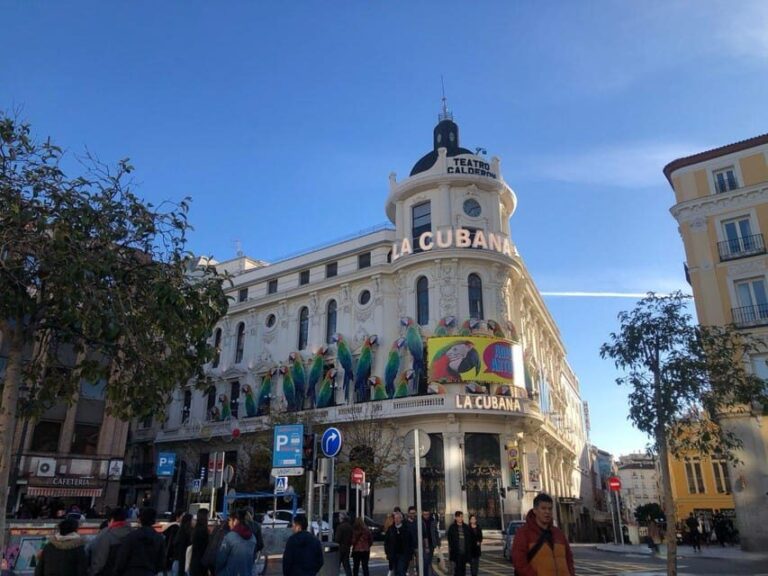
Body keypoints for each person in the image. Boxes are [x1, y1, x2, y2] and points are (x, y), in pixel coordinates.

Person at [511, 493, 575, 576]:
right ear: (535, 510)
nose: (547, 512)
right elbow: (519, 562)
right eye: (543, 508)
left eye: (550, 509)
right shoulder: (524, 533)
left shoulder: (559, 533)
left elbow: (569, 558)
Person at [114, 507, 165, 576]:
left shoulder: (131, 536)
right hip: (149, 572)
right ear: (154, 521)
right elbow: (161, 562)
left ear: (140, 520)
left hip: (131, 572)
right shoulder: (159, 538)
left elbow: (122, 558)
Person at [88, 508, 133, 576]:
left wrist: (92, 572)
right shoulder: (132, 533)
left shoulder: (106, 534)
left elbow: (99, 560)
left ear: (112, 519)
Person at [216, 509, 256, 576]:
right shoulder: (253, 537)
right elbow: (253, 559)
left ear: (235, 521)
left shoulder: (230, 537)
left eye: (230, 520)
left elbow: (221, 559)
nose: (228, 523)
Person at [384, 511, 413, 576]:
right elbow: (386, 542)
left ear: (401, 519)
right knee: (396, 571)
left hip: (403, 554)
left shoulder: (406, 529)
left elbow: (410, 542)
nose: (396, 520)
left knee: (401, 570)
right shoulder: (390, 529)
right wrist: (387, 553)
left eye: (398, 518)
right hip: (393, 554)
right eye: (395, 518)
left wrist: (410, 554)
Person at [446, 511, 472, 576]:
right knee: (457, 569)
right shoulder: (452, 527)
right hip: (456, 552)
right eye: (459, 517)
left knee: (463, 569)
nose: (461, 518)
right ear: (456, 518)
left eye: (461, 517)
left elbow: (469, 539)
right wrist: (453, 547)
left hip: (464, 552)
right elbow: (450, 539)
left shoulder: (466, 527)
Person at [162, 511, 185, 576]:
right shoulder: (176, 528)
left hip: (169, 554)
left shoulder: (170, 526)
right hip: (174, 554)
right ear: (177, 517)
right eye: (182, 516)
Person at [189, 509, 210, 576]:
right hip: (200, 564)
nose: (208, 518)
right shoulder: (203, 531)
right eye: (207, 516)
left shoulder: (196, 529)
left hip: (195, 563)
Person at [420, 510, 440, 576]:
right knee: (426, 561)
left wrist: (438, 543)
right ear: (422, 514)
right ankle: (428, 573)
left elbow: (436, 532)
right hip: (422, 544)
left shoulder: (433, 521)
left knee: (428, 560)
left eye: (427, 514)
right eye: (424, 514)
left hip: (431, 543)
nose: (426, 516)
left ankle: (428, 573)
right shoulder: (420, 521)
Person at [405, 507, 418, 576]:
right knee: (410, 564)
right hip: (409, 547)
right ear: (408, 513)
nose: (412, 514)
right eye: (411, 513)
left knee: (419, 563)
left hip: (417, 545)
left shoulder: (418, 522)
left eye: (414, 513)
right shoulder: (405, 523)